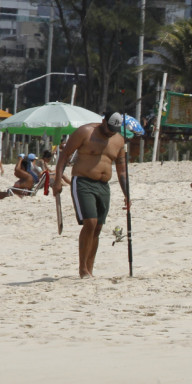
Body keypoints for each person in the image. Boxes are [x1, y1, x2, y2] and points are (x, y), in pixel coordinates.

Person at [53, 112, 130, 278]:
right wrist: (58, 180)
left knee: (98, 227)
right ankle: (82, 269)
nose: (111, 132)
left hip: (104, 186)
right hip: (83, 182)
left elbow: (122, 170)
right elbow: (65, 155)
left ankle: (90, 268)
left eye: (114, 130)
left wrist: (127, 194)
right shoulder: (85, 132)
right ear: (103, 121)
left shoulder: (119, 140)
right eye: (109, 128)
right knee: (90, 222)